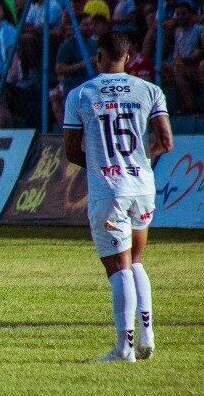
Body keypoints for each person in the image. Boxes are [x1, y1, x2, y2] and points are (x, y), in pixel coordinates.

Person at [63, 31, 173, 363]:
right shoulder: (151, 91)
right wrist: (137, 157)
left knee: (118, 267)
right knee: (136, 261)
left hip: (109, 190)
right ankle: (147, 336)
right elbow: (166, 141)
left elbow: (70, 150)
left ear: (98, 57)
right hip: (142, 186)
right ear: (128, 59)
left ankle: (124, 347)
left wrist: (102, 164)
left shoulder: (81, 94)